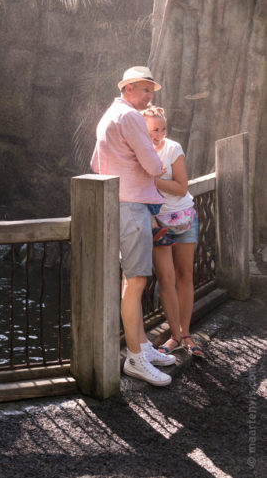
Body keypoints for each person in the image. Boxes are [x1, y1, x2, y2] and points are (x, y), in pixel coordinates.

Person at [91, 65, 176, 386]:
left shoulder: (111, 114)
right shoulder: (130, 118)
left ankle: (141, 346)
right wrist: (159, 162)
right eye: (143, 89)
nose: (149, 95)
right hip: (132, 206)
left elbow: (95, 163)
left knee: (132, 278)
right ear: (127, 88)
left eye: (151, 90)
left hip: (121, 203)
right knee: (137, 280)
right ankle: (136, 360)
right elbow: (154, 165)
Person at [142, 105, 204, 358]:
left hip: (185, 217)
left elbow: (181, 187)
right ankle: (174, 337)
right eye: (154, 130)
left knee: (185, 275)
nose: (159, 134)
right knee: (166, 280)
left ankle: (187, 334)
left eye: (162, 128)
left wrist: (150, 180)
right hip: (158, 225)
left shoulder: (173, 148)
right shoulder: (138, 153)